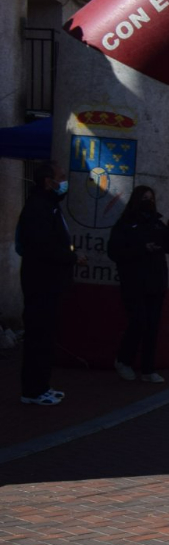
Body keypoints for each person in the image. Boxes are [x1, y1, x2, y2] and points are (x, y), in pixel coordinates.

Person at [108, 185, 169, 383]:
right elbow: (114, 251)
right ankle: (123, 360)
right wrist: (142, 248)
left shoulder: (157, 223)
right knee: (138, 322)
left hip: (156, 283)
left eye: (151, 198)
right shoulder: (125, 224)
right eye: (144, 198)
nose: (148, 202)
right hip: (134, 282)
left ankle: (148, 369)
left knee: (152, 326)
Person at [16, 161, 74, 405]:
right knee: (38, 336)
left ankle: (41, 386)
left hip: (49, 281)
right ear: (48, 181)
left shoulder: (49, 206)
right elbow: (43, 247)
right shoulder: (39, 208)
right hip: (41, 282)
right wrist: (70, 257)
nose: (64, 181)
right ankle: (33, 390)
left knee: (46, 336)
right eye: (61, 177)